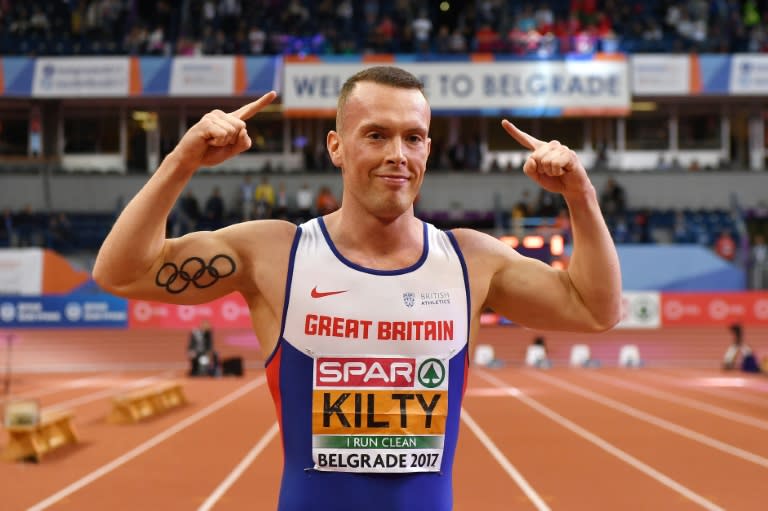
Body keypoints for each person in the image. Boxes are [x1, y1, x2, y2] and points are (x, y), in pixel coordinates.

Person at [93, 66, 621, 511]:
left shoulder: (469, 261)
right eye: (376, 134)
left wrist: (580, 194)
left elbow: (596, 309)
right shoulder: (277, 255)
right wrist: (182, 160)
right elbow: (120, 271)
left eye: (412, 137)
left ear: (428, 149)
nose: (398, 153)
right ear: (337, 147)